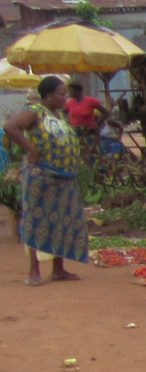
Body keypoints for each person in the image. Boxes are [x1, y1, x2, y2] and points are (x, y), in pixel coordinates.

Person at [4, 76, 89, 285]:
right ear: (48, 96)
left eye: (66, 94)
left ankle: (58, 269)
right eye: (61, 94)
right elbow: (10, 127)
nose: (65, 98)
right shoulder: (35, 111)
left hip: (64, 178)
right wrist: (31, 149)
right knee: (36, 220)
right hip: (42, 176)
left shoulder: (58, 115)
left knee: (61, 221)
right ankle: (34, 271)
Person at [64, 82, 105, 154]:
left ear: (77, 91)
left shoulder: (91, 101)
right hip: (76, 132)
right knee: (78, 152)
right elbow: (62, 113)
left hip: (89, 132)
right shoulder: (70, 103)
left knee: (91, 153)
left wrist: (98, 124)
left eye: (71, 91)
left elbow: (106, 113)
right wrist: (67, 124)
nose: (69, 93)